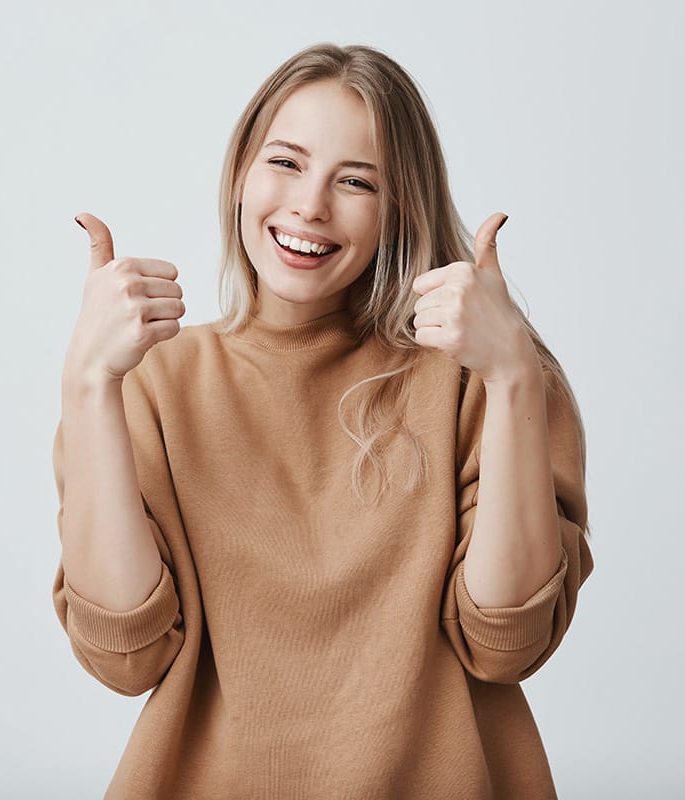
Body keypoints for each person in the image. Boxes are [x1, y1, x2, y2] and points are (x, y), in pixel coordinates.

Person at [51, 42, 593, 799]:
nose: (310, 205)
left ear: (399, 206)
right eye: (285, 162)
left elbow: (508, 643)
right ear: (240, 176)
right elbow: (125, 657)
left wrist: (511, 379)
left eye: (357, 181)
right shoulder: (153, 382)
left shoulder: (483, 377)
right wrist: (87, 383)